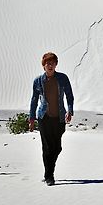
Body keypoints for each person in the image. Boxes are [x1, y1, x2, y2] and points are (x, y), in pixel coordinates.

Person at [29, 52, 74, 186]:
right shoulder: (38, 81)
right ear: (43, 66)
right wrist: (32, 118)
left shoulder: (62, 78)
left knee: (57, 148)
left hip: (59, 117)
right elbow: (34, 100)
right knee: (47, 147)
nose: (50, 66)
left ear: (56, 65)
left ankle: (48, 172)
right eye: (47, 63)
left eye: (52, 63)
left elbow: (69, 96)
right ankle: (49, 176)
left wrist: (70, 111)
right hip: (44, 117)